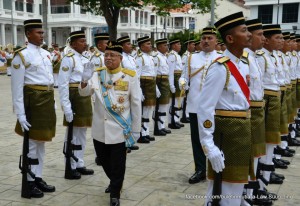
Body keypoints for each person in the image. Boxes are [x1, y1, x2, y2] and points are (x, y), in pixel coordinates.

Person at [197, 12, 253, 205]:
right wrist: (208, 145)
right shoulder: (220, 68)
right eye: (244, 31)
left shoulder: (243, 64)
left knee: (236, 187)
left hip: (241, 133)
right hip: (226, 135)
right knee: (223, 192)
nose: (249, 34)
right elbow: (205, 107)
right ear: (230, 38)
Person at [78, 41, 141, 206]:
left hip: (119, 129)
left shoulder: (130, 76)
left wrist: (136, 130)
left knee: (118, 163)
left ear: (120, 57)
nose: (108, 58)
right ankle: (115, 182)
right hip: (99, 128)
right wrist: (84, 81)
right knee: (104, 160)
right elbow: (84, 93)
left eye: (112, 55)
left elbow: (135, 104)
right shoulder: (97, 74)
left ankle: (115, 193)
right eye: (106, 55)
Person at [11, 19, 56, 198]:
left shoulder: (46, 54)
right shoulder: (21, 55)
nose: (42, 35)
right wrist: (20, 114)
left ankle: (37, 176)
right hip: (32, 103)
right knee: (31, 144)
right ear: (28, 34)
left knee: (41, 142)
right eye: (38, 32)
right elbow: (17, 88)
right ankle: (28, 181)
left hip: (46, 100)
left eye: (42, 32)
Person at [180, 27, 221, 185]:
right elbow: (184, 77)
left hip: (215, 106)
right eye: (204, 38)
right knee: (197, 139)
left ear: (216, 41)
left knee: (215, 138)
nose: (206, 41)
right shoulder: (192, 58)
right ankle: (200, 169)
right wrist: (182, 83)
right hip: (195, 105)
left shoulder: (221, 58)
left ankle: (216, 168)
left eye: (210, 38)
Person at [58, 30, 94, 179]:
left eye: (85, 41)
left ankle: (79, 162)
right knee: (72, 134)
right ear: (73, 44)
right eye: (81, 41)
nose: (84, 43)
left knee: (82, 132)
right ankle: (70, 164)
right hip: (73, 96)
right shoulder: (69, 59)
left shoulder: (84, 58)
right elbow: (63, 84)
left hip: (83, 95)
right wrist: (66, 107)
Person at [135, 36, 157, 143]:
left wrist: (156, 87)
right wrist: (139, 91)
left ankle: (146, 132)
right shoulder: (140, 58)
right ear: (142, 46)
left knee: (149, 109)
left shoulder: (151, 57)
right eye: (148, 44)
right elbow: (137, 76)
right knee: (143, 110)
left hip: (151, 83)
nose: (150, 45)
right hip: (144, 84)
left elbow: (153, 73)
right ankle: (141, 133)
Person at [153, 38, 172, 136]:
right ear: (159, 47)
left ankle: (162, 126)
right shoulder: (157, 57)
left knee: (165, 104)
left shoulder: (164, 57)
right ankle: (158, 127)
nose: (167, 47)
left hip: (165, 80)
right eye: (165, 45)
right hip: (159, 81)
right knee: (160, 106)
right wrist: (156, 86)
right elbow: (155, 71)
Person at [167, 39, 184, 129]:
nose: (180, 45)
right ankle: (171, 121)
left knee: (178, 100)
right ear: (173, 46)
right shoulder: (172, 56)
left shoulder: (177, 55)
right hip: (174, 78)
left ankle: (176, 119)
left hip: (179, 78)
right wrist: (171, 84)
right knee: (173, 102)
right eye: (178, 44)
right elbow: (170, 71)